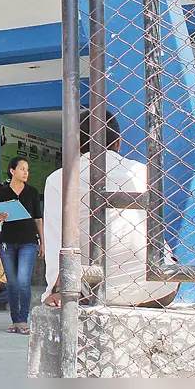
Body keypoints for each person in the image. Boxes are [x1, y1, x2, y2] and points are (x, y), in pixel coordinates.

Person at [43, 110, 178, 308]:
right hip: (161, 288)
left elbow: (56, 240)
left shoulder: (59, 179)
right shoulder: (143, 171)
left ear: (75, 146)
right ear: (118, 143)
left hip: (102, 291)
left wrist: (55, 290)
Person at [0, 157, 43, 335]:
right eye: (22, 169)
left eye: (27, 169)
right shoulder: (1, 193)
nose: (25, 172)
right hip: (7, 241)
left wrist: (41, 240)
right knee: (12, 283)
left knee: (23, 281)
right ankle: (16, 320)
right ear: (12, 171)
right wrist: (0, 218)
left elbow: (38, 218)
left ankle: (23, 319)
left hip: (28, 241)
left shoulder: (32, 192)